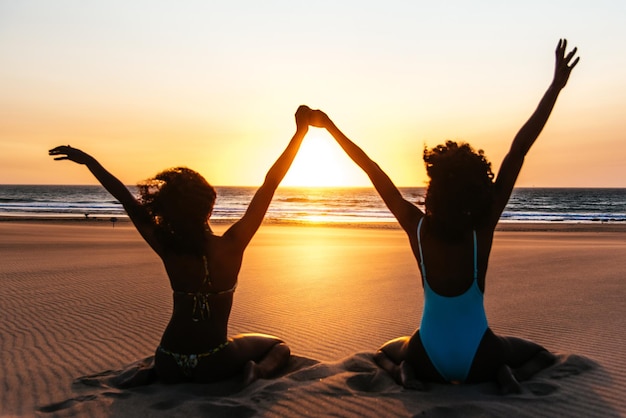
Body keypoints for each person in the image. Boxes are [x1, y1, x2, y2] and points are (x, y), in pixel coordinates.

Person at [309, 40, 579, 393]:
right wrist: (555, 87)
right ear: (477, 187)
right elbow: (519, 148)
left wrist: (329, 127)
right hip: (482, 357)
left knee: (384, 352)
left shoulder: (418, 227)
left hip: (427, 358)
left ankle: (404, 372)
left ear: (434, 188)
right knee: (539, 354)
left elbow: (371, 169)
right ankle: (508, 375)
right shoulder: (481, 228)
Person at [48, 105, 314, 385]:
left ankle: (153, 373)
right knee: (277, 345)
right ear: (210, 207)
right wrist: (300, 133)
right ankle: (257, 372)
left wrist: (89, 161)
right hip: (214, 362)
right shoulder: (233, 244)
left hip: (167, 360)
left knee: (183, 353)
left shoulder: (168, 246)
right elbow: (270, 184)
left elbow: (126, 199)